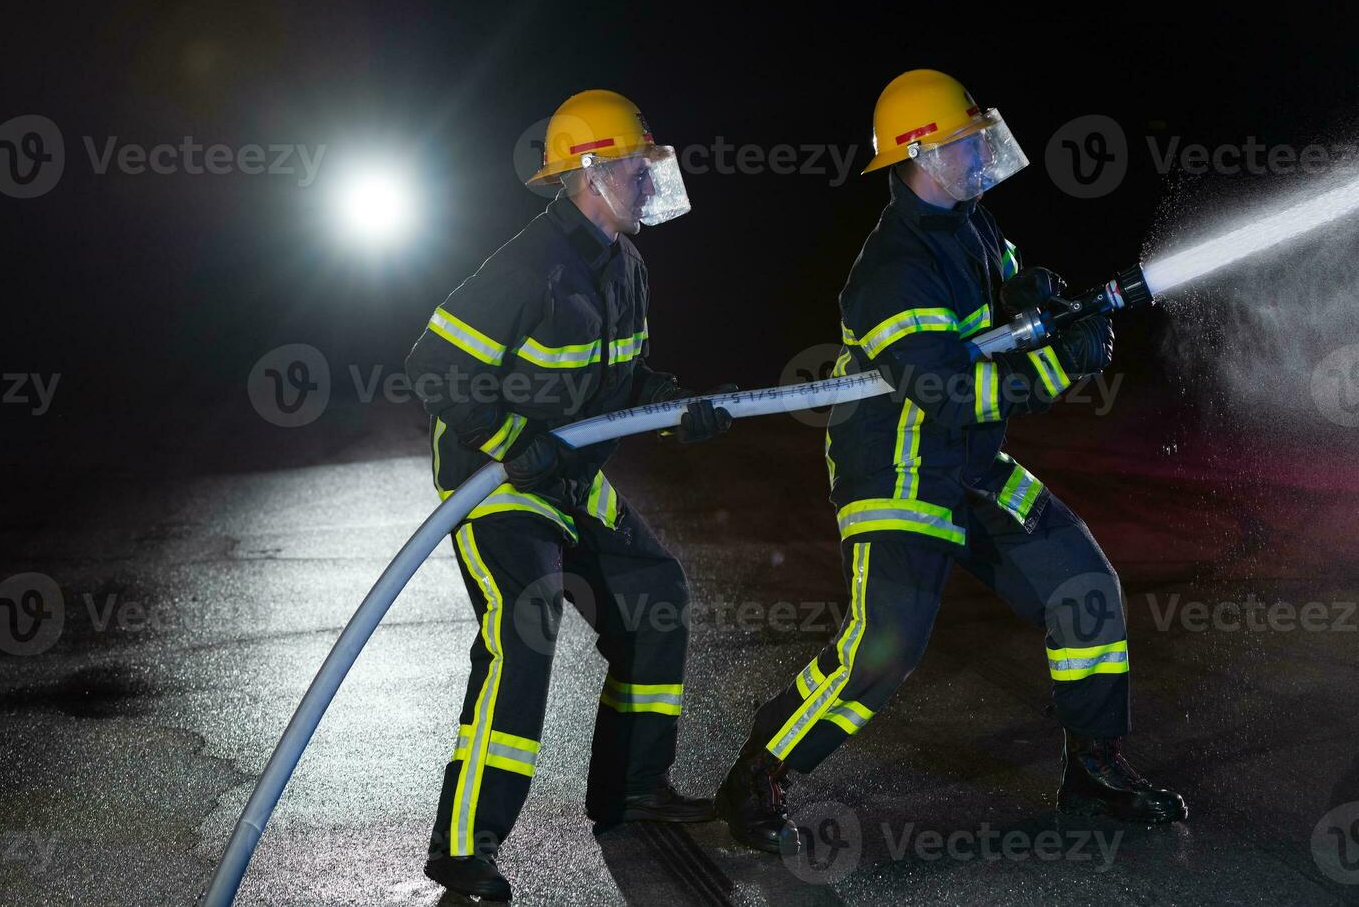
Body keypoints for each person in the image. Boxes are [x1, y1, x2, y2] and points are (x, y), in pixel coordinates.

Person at [714, 69, 1188, 854]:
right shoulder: (891, 268)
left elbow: (1001, 306)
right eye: (966, 142)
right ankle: (758, 775)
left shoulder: (971, 223)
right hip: (898, 470)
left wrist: (1037, 295)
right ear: (923, 154)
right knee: (885, 645)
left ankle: (1095, 770)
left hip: (967, 464)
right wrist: (1059, 366)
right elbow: (948, 389)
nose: (979, 152)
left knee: (1082, 587)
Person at [406, 89, 734, 900]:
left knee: (656, 591)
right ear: (590, 172)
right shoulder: (527, 266)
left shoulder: (625, 265)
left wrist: (677, 407)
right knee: (526, 628)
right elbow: (430, 367)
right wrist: (514, 444)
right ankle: (464, 845)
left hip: (571, 478)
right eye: (636, 166)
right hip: (498, 480)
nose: (650, 181)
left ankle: (632, 792)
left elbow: (619, 383)